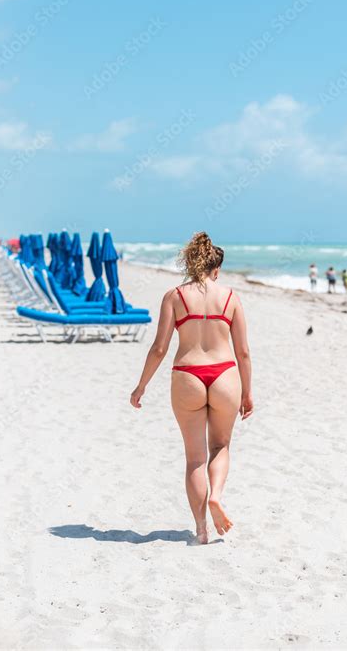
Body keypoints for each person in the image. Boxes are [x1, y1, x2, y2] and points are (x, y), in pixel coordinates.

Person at [130, 232, 253, 544]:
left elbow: (159, 348)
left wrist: (141, 386)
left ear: (189, 262)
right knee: (221, 446)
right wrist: (248, 392)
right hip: (225, 374)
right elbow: (244, 353)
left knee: (195, 458)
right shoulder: (230, 297)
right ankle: (217, 497)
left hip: (187, 374)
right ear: (215, 268)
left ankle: (201, 528)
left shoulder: (174, 296)